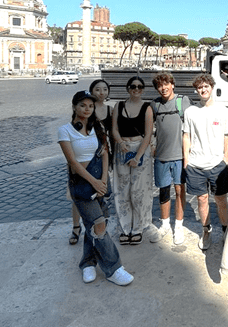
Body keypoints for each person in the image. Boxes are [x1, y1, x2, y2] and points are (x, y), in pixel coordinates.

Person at [58, 91, 133, 285]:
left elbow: (105, 152)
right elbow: (72, 162)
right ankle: (114, 268)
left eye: (90, 106)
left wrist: (103, 180)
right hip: (81, 185)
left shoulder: (96, 128)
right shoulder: (65, 130)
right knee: (99, 224)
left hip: (99, 182)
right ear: (74, 106)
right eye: (83, 105)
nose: (87, 109)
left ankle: (88, 263)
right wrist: (94, 182)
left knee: (96, 225)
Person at [183, 73, 228, 250]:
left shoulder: (224, 111)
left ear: (211, 87)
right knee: (202, 200)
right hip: (196, 164)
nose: (203, 90)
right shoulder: (190, 112)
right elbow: (186, 136)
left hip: (217, 165)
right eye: (199, 87)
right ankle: (206, 231)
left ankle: (226, 230)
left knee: (221, 200)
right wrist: (186, 161)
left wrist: (226, 159)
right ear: (196, 90)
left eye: (206, 86)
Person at [148, 72, 191, 245]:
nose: (163, 88)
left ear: (172, 84)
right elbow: (149, 128)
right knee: (163, 191)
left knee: (180, 191)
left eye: (166, 84)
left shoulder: (183, 101)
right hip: (161, 156)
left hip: (180, 156)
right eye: (159, 85)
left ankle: (178, 226)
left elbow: (195, 121)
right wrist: (152, 145)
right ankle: (165, 224)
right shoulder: (154, 104)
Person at [111, 76, 154, 245]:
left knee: (139, 191)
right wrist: (120, 143)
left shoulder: (147, 108)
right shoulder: (118, 106)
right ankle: (124, 226)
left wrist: (138, 157)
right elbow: (114, 128)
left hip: (140, 149)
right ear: (128, 88)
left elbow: (148, 133)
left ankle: (138, 227)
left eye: (139, 87)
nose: (136, 89)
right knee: (121, 190)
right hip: (122, 148)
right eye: (133, 86)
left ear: (143, 89)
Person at [69, 79, 112, 245]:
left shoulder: (109, 111)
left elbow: (110, 136)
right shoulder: (78, 120)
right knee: (78, 196)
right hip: (82, 163)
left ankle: (97, 226)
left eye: (104, 89)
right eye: (97, 89)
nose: (101, 92)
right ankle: (76, 227)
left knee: (99, 194)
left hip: (100, 158)